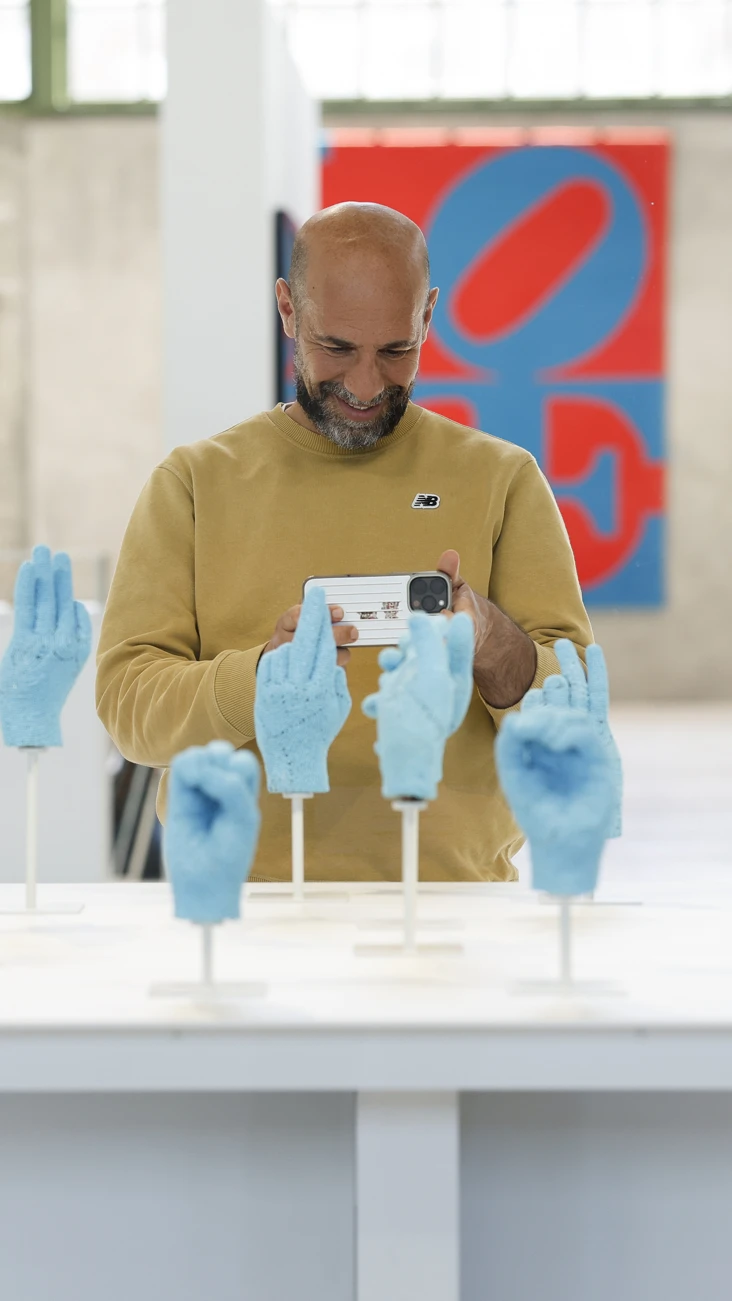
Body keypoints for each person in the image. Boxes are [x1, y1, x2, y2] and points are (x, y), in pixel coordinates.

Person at [96, 202, 593, 883]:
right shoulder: (193, 484)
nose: (365, 385)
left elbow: (576, 720)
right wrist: (258, 680)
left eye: (396, 351)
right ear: (288, 311)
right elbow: (127, 709)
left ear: (427, 316)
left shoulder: (502, 480)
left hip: (457, 907)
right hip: (239, 905)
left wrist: (487, 640)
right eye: (336, 348)